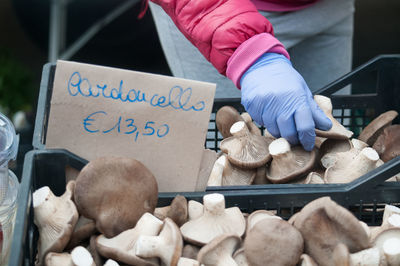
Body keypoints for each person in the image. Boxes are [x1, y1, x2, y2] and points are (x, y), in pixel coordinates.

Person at [147, 0, 355, 151]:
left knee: (331, 142)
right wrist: (249, 52)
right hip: (211, 13)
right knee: (225, 150)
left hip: (328, 8)